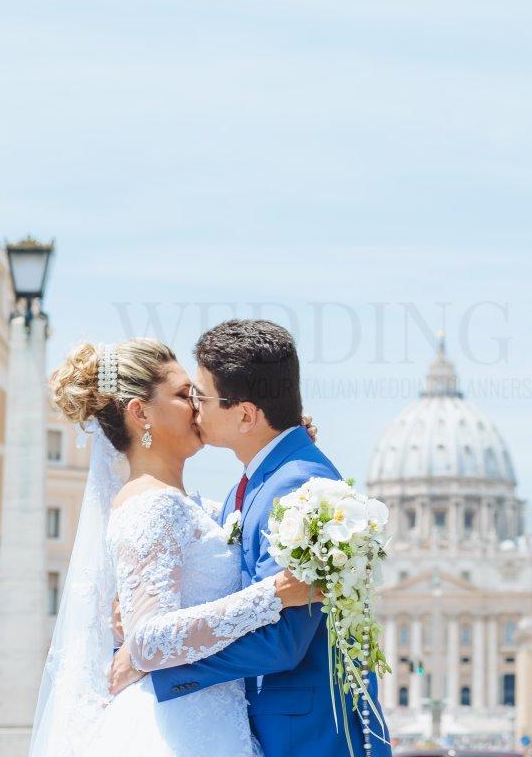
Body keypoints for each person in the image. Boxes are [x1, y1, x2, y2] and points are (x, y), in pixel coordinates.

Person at [107, 320, 391, 757]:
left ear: (245, 414)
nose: (195, 408)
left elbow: (282, 641)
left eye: (200, 396)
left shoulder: (295, 486)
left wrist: (158, 665)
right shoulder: (258, 483)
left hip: (300, 735)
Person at [28, 336, 323, 756]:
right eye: (185, 395)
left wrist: (278, 443)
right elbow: (148, 641)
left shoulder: (195, 505)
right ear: (141, 413)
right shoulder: (151, 505)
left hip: (215, 720)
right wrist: (272, 594)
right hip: (178, 728)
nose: (199, 404)